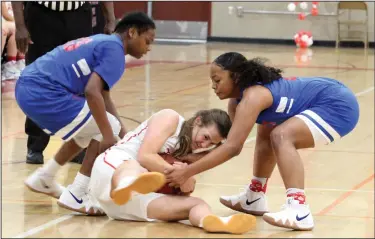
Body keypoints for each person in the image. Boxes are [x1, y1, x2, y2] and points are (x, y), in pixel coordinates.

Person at [165, 52, 360, 231]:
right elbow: (229, 144)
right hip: (325, 97)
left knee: (282, 135)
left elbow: (233, 148)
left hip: (337, 104)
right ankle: (255, 196)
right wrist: (188, 158)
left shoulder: (254, 96)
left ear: (236, 77)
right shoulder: (237, 102)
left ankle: (299, 209)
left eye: (217, 80)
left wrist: (187, 172)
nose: (213, 86)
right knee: (266, 131)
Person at [16, 12, 156, 215]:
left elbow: (103, 97)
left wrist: (124, 136)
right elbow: (92, 92)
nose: (148, 48)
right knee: (104, 127)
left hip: (29, 87)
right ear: (132, 33)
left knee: (93, 128)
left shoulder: (105, 42)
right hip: (43, 92)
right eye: (147, 41)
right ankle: (77, 194)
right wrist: (109, 135)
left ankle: (45, 177)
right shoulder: (115, 51)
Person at [87, 108, 256, 234]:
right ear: (197, 121)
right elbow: (145, 156)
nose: (204, 145)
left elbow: (185, 186)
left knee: (197, 204)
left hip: (120, 209)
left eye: (211, 143)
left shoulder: (190, 153)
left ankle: (212, 221)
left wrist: (188, 181)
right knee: (134, 166)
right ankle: (125, 184)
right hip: (109, 170)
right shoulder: (171, 118)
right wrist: (184, 175)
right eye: (205, 137)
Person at [11, 1, 116, 164]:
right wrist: (19, 25)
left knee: (82, 78)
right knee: (39, 80)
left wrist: (110, 19)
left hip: (78, 15)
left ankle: (78, 146)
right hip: (41, 15)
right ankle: (35, 145)